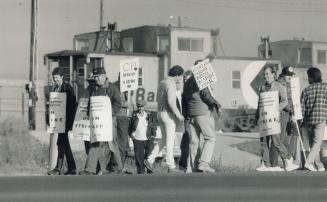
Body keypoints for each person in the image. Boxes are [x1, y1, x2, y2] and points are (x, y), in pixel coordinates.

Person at [79, 67, 122, 175]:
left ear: (104, 76)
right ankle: (90, 169)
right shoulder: (94, 88)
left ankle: (117, 167)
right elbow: (90, 103)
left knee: (112, 143)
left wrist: (108, 113)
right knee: (95, 142)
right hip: (97, 121)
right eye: (95, 77)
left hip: (109, 120)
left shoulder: (112, 88)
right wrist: (89, 113)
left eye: (97, 77)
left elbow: (118, 104)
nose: (96, 79)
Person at [256, 66, 299, 172]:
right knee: (263, 141)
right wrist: (256, 116)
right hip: (264, 118)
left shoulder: (280, 86)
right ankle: (264, 163)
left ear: (273, 74)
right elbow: (260, 104)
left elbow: (285, 101)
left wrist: (275, 109)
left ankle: (287, 158)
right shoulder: (262, 88)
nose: (266, 76)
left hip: (275, 118)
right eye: (264, 74)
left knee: (276, 140)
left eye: (268, 74)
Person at [183, 60, 220, 173]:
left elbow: (183, 100)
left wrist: (187, 115)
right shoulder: (201, 79)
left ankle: (191, 167)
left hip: (191, 115)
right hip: (202, 113)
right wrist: (217, 105)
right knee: (210, 138)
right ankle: (203, 164)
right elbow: (206, 95)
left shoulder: (188, 82)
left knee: (194, 142)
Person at [47, 67, 77, 175]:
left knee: (61, 143)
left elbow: (72, 106)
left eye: (57, 77)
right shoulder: (55, 89)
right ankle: (72, 167)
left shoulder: (68, 88)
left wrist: (70, 122)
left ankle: (58, 168)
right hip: (58, 121)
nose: (55, 80)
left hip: (66, 120)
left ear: (62, 77)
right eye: (54, 78)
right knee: (64, 143)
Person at [157, 65, 185, 173]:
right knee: (170, 140)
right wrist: (178, 115)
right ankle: (171, 165)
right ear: (177, 75)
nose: (180, 79)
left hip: (160, 112)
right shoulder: (171, 84)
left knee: (163, 140)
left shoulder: (162, 82)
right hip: (168, 114)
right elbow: (171, 102)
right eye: (180, 76)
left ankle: (149, 160)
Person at [273, 66, 301, 167]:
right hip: (281, 113)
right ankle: (285, 159)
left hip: (286, 113)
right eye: (288, 75)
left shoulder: (287, 83)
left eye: (291, 75)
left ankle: (282, 161)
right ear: (283, 75)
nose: (290, 77)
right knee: (278, 139)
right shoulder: (279, 84)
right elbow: (283, 101)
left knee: (282, 139)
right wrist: (291, 110)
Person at [300, 67, 327, 171]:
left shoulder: (306, 90)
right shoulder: (325, 88)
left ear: (312, 77)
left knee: (313, 143)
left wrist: (301, 120)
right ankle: (309, 162)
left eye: (308, 77)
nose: (308, 79)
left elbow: (302, 108)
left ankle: (318, 164)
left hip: (309, 119)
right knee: (317, 142)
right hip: (321, 118)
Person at [129, 100, 157, 174]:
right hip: (137, 140)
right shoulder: (134, 116)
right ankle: (141, 176)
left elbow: (153, 126)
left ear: (144, 107)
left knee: (148, 158)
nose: (140, 108)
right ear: (137, 107)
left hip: (148, 139)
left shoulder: (149, 115)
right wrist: (131, 135)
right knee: (139, 159)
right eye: (139, 107)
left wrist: (153, 136)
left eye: (142, 107)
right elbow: (130, 127)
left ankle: (150, 173)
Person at [113, 74, 130, 172]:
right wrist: (124, 104)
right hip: (118, 116)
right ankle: (117, 166)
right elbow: (115, 101)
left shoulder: (128, 87)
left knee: (123, 143)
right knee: (118, 142)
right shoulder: (115, 86)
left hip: (124, 117)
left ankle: (121, 166)